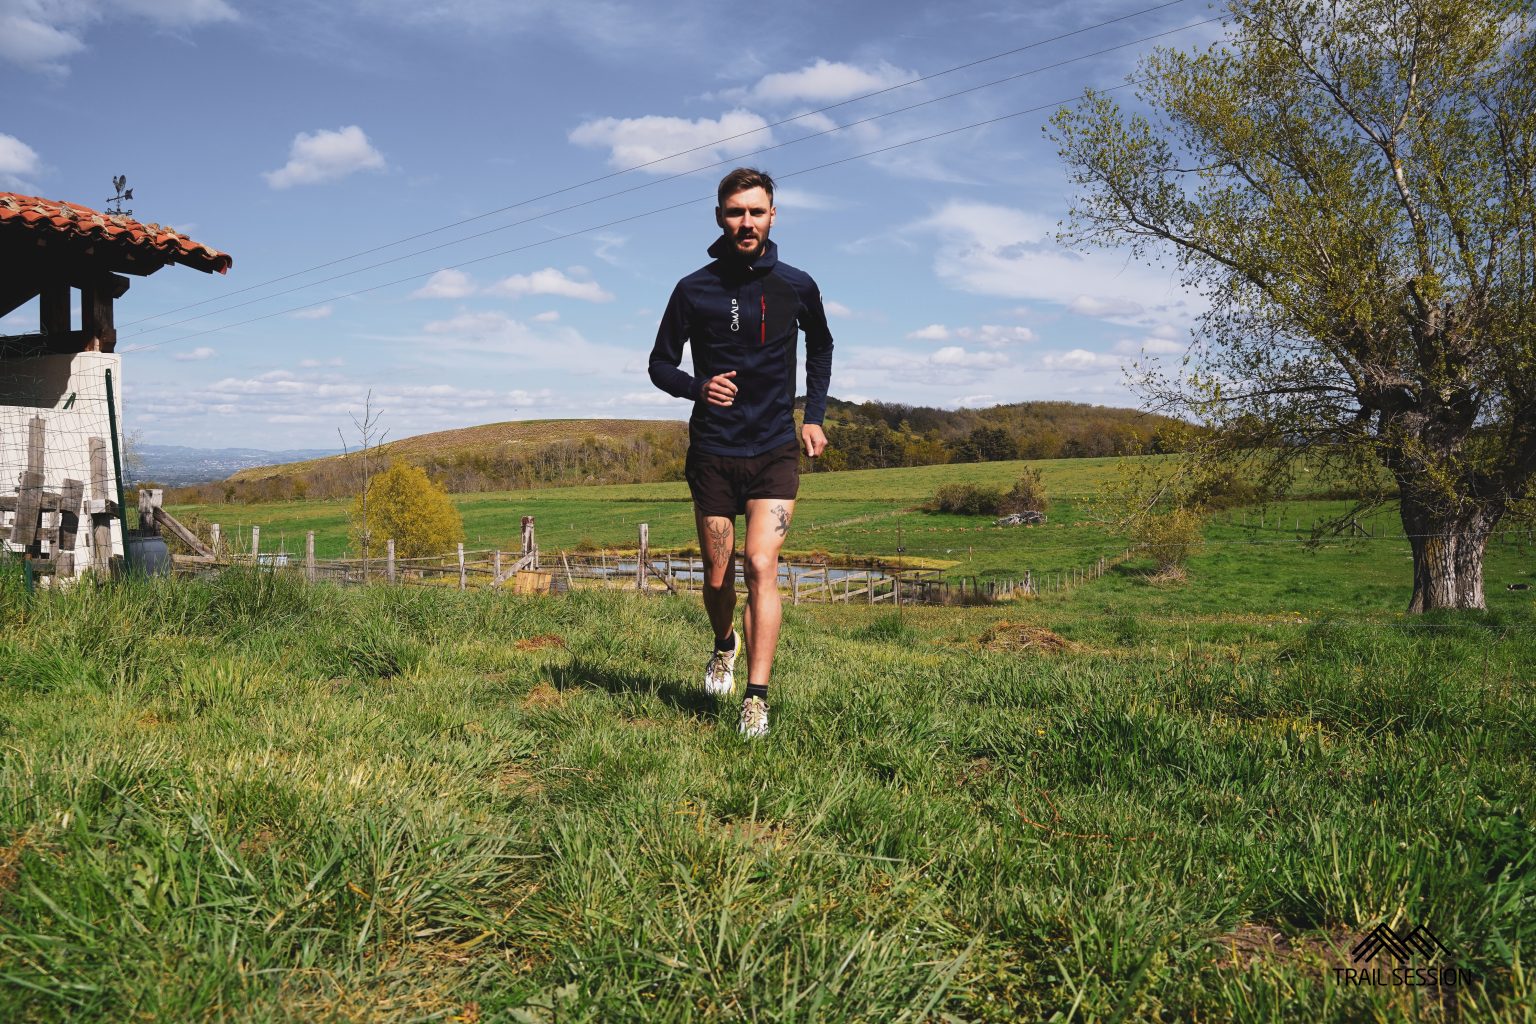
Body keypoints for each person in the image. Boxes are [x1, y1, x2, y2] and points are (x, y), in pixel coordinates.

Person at [648, 167, 833, 738]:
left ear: (773, 215)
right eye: (735, 211)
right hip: (713, 450)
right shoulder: (692, 288)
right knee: (717, 574)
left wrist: (815, 416)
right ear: (720, 217)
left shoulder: (796, 285)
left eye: (756, 211)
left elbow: (821, 347)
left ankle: (757, 697)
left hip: (775, 446)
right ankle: (723, 644)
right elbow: (659, 364)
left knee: (760, 565)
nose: (746, 221)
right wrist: (696, 388)